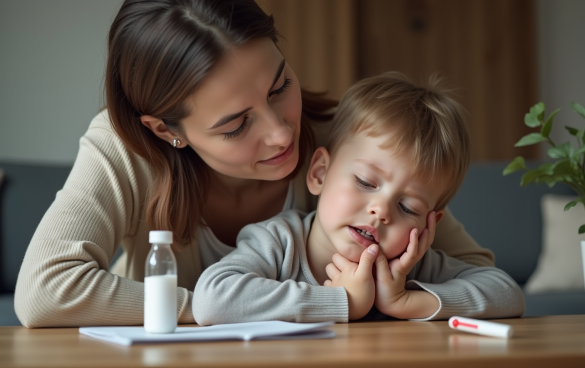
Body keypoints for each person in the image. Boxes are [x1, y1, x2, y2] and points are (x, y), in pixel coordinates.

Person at [14, 0, 494, 328]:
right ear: (166, 131)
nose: (284, 135)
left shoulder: (353, 156)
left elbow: (476, 273)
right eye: (237, 124)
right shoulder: (126, 152)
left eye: (279, 86)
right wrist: (223, 307)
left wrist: (411, 300)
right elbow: (43, 291)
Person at [193, 72, 525, 324]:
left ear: (428, 226)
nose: (380, 211)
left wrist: (403, 302)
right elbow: (212, 300)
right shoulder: (278, 243)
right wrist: (343, 302)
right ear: (320, 173)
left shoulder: (410, 266)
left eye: (407, 207)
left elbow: (507, 294)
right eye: (366, 182)